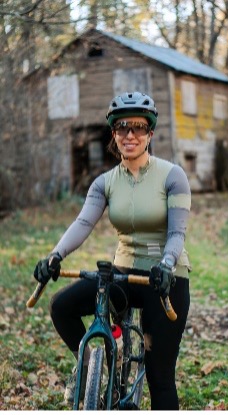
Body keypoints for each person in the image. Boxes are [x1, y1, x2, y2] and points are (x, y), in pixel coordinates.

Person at [33, 91, 191, 410]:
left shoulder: (173, 176)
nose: (130, 135)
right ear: (114, 134)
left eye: (138, 127)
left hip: (165, 277)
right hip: (123, 273)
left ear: (150, 133)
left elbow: (177, 233)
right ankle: (92, 366)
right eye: (122, 128)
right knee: (61, 306)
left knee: (160, 379)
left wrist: (165, 262)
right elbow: (82, 223)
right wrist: (54, 256)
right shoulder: (105, 182)